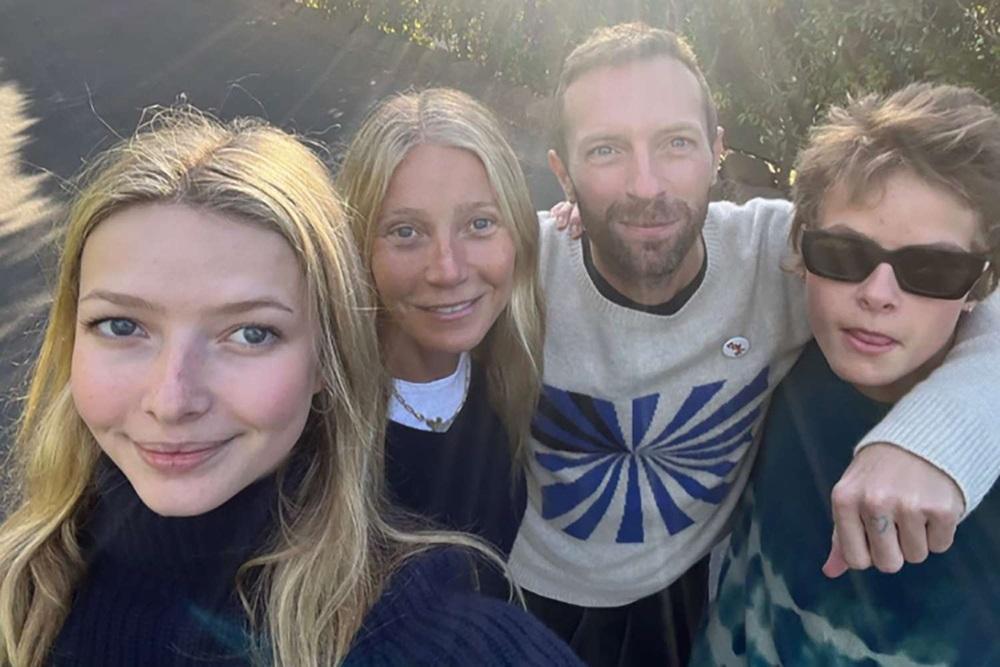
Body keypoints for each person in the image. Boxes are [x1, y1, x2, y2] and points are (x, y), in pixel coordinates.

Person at [0, 108, 581, 667]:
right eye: (122, 326)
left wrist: (588, 216)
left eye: (250, 333)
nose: (172, 401)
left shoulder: (511, 369)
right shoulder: (24, 594)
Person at [508, 22, 1000, 666]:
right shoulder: (517, 270)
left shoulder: (782, 258)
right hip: (526, 588)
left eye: (676, 143)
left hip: (679, 594)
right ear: (563, 173)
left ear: (717, 151)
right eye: (605, 151)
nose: (646, 186)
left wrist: (940, 435)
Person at [692, 82, 1000, 666]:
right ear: (803, 252)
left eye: (932, 268)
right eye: (844, 255)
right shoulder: (788, 351)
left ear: (977, 286)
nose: (877, 294)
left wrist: (946, 435)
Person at [337, 88, 544, 571]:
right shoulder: (317, 423)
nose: (447, 270)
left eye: (479, 224)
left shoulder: (506, 376)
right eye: (406, 232)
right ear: (358, 244)